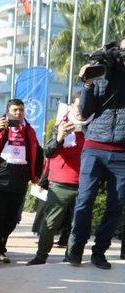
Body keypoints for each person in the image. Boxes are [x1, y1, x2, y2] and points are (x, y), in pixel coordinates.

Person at [66, 39, 125, 269]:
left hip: (122, 153)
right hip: (95, 146)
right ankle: (76, 248)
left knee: (116, 205)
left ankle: (99, 251)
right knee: (84, 199)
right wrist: (88, 84)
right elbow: (86, 110)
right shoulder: (103, 69)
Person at [0, 99, 43, 267]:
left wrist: (37, 175)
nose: (18, 113)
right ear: (7, 111)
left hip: (18, 181)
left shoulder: (29, 130)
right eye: (15, 110)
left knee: (11, 219)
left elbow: (37, 152)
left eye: (21, 110)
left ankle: (0, 249)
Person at [27, 96, 88, 265]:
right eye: (77, 105)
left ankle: (72, 256)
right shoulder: (61, 125)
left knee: (79, 224)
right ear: (71, 106)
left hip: (85, 183)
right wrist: (60, 136)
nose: (80, 109)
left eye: (84, 105)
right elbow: (48, 152)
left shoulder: (93, 127)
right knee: (50, 223)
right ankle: (41, 256)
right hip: (60, 183)